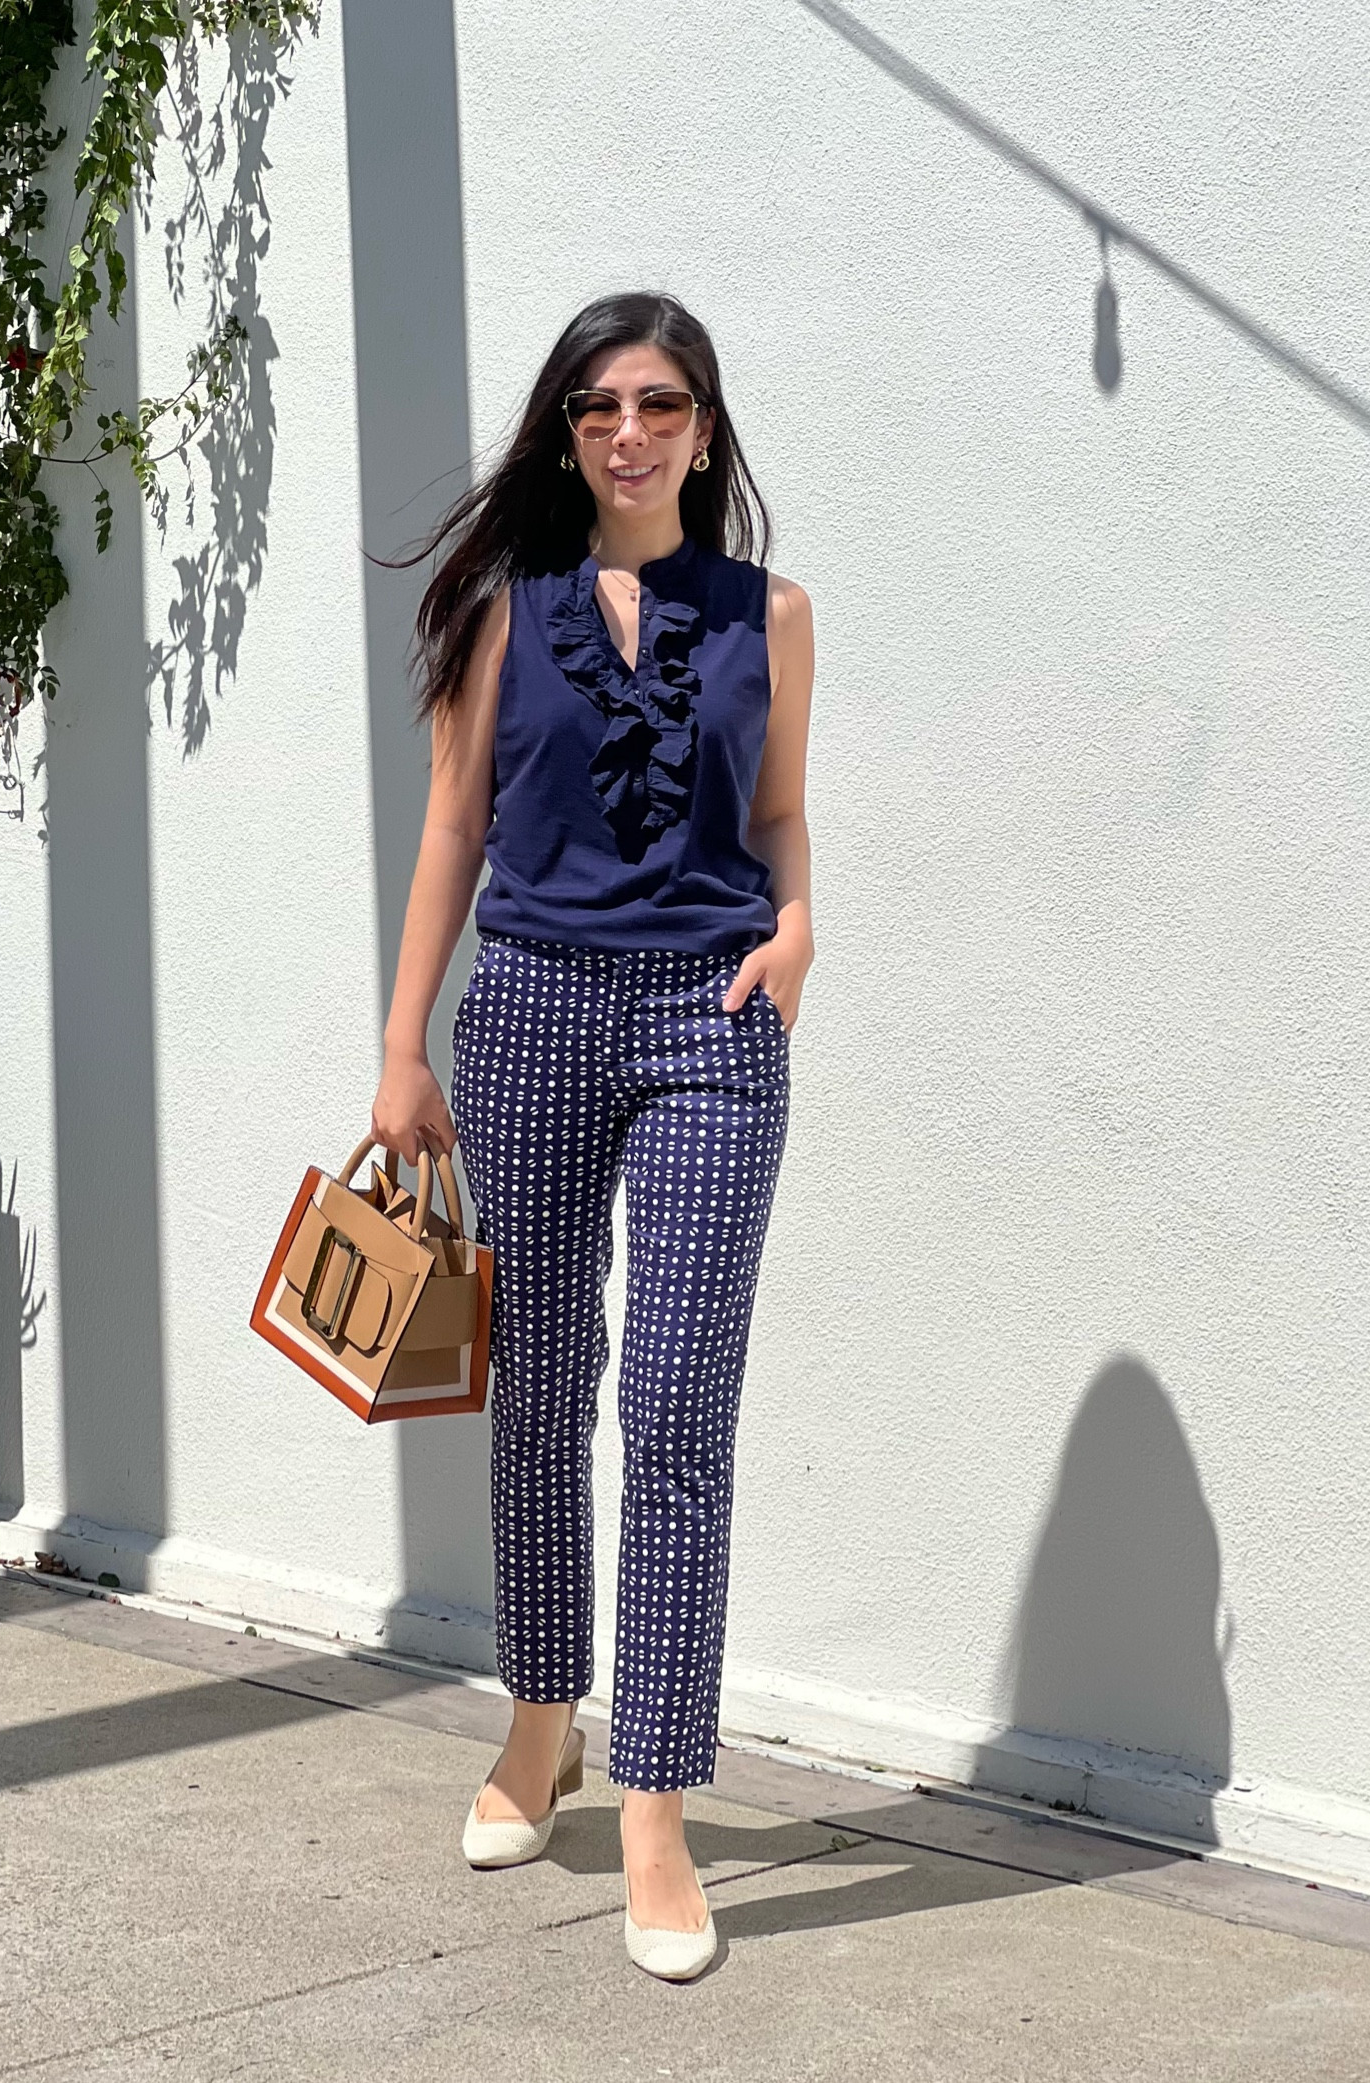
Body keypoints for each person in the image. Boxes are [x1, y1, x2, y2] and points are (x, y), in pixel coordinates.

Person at [371, 290, 815, 1981]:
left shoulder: (772, 614)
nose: (626, 433)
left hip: (709, 1023)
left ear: (704, 426)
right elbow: (454, 830)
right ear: (566, 437)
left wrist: (795, 930)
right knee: (544, 1384)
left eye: (658, 402)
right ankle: (541, 1714)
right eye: (594, 409)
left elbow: (776, 817)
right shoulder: (502, 609)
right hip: (539, 1011)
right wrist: (399, 1047)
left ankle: (655, 1799)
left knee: (680, 1405)